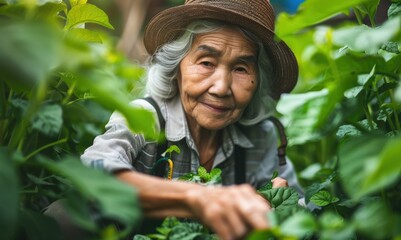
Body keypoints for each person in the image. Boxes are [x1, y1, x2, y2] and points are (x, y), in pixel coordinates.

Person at [80, 0, 302, 239]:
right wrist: (196, 197)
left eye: (241, 69)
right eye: (206, 63)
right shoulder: (145, 117)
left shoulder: (261, 136)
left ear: (258, 81)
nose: (221, 87)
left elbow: (303, 213)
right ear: (177, 68)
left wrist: (278, 208)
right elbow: (93, 175)